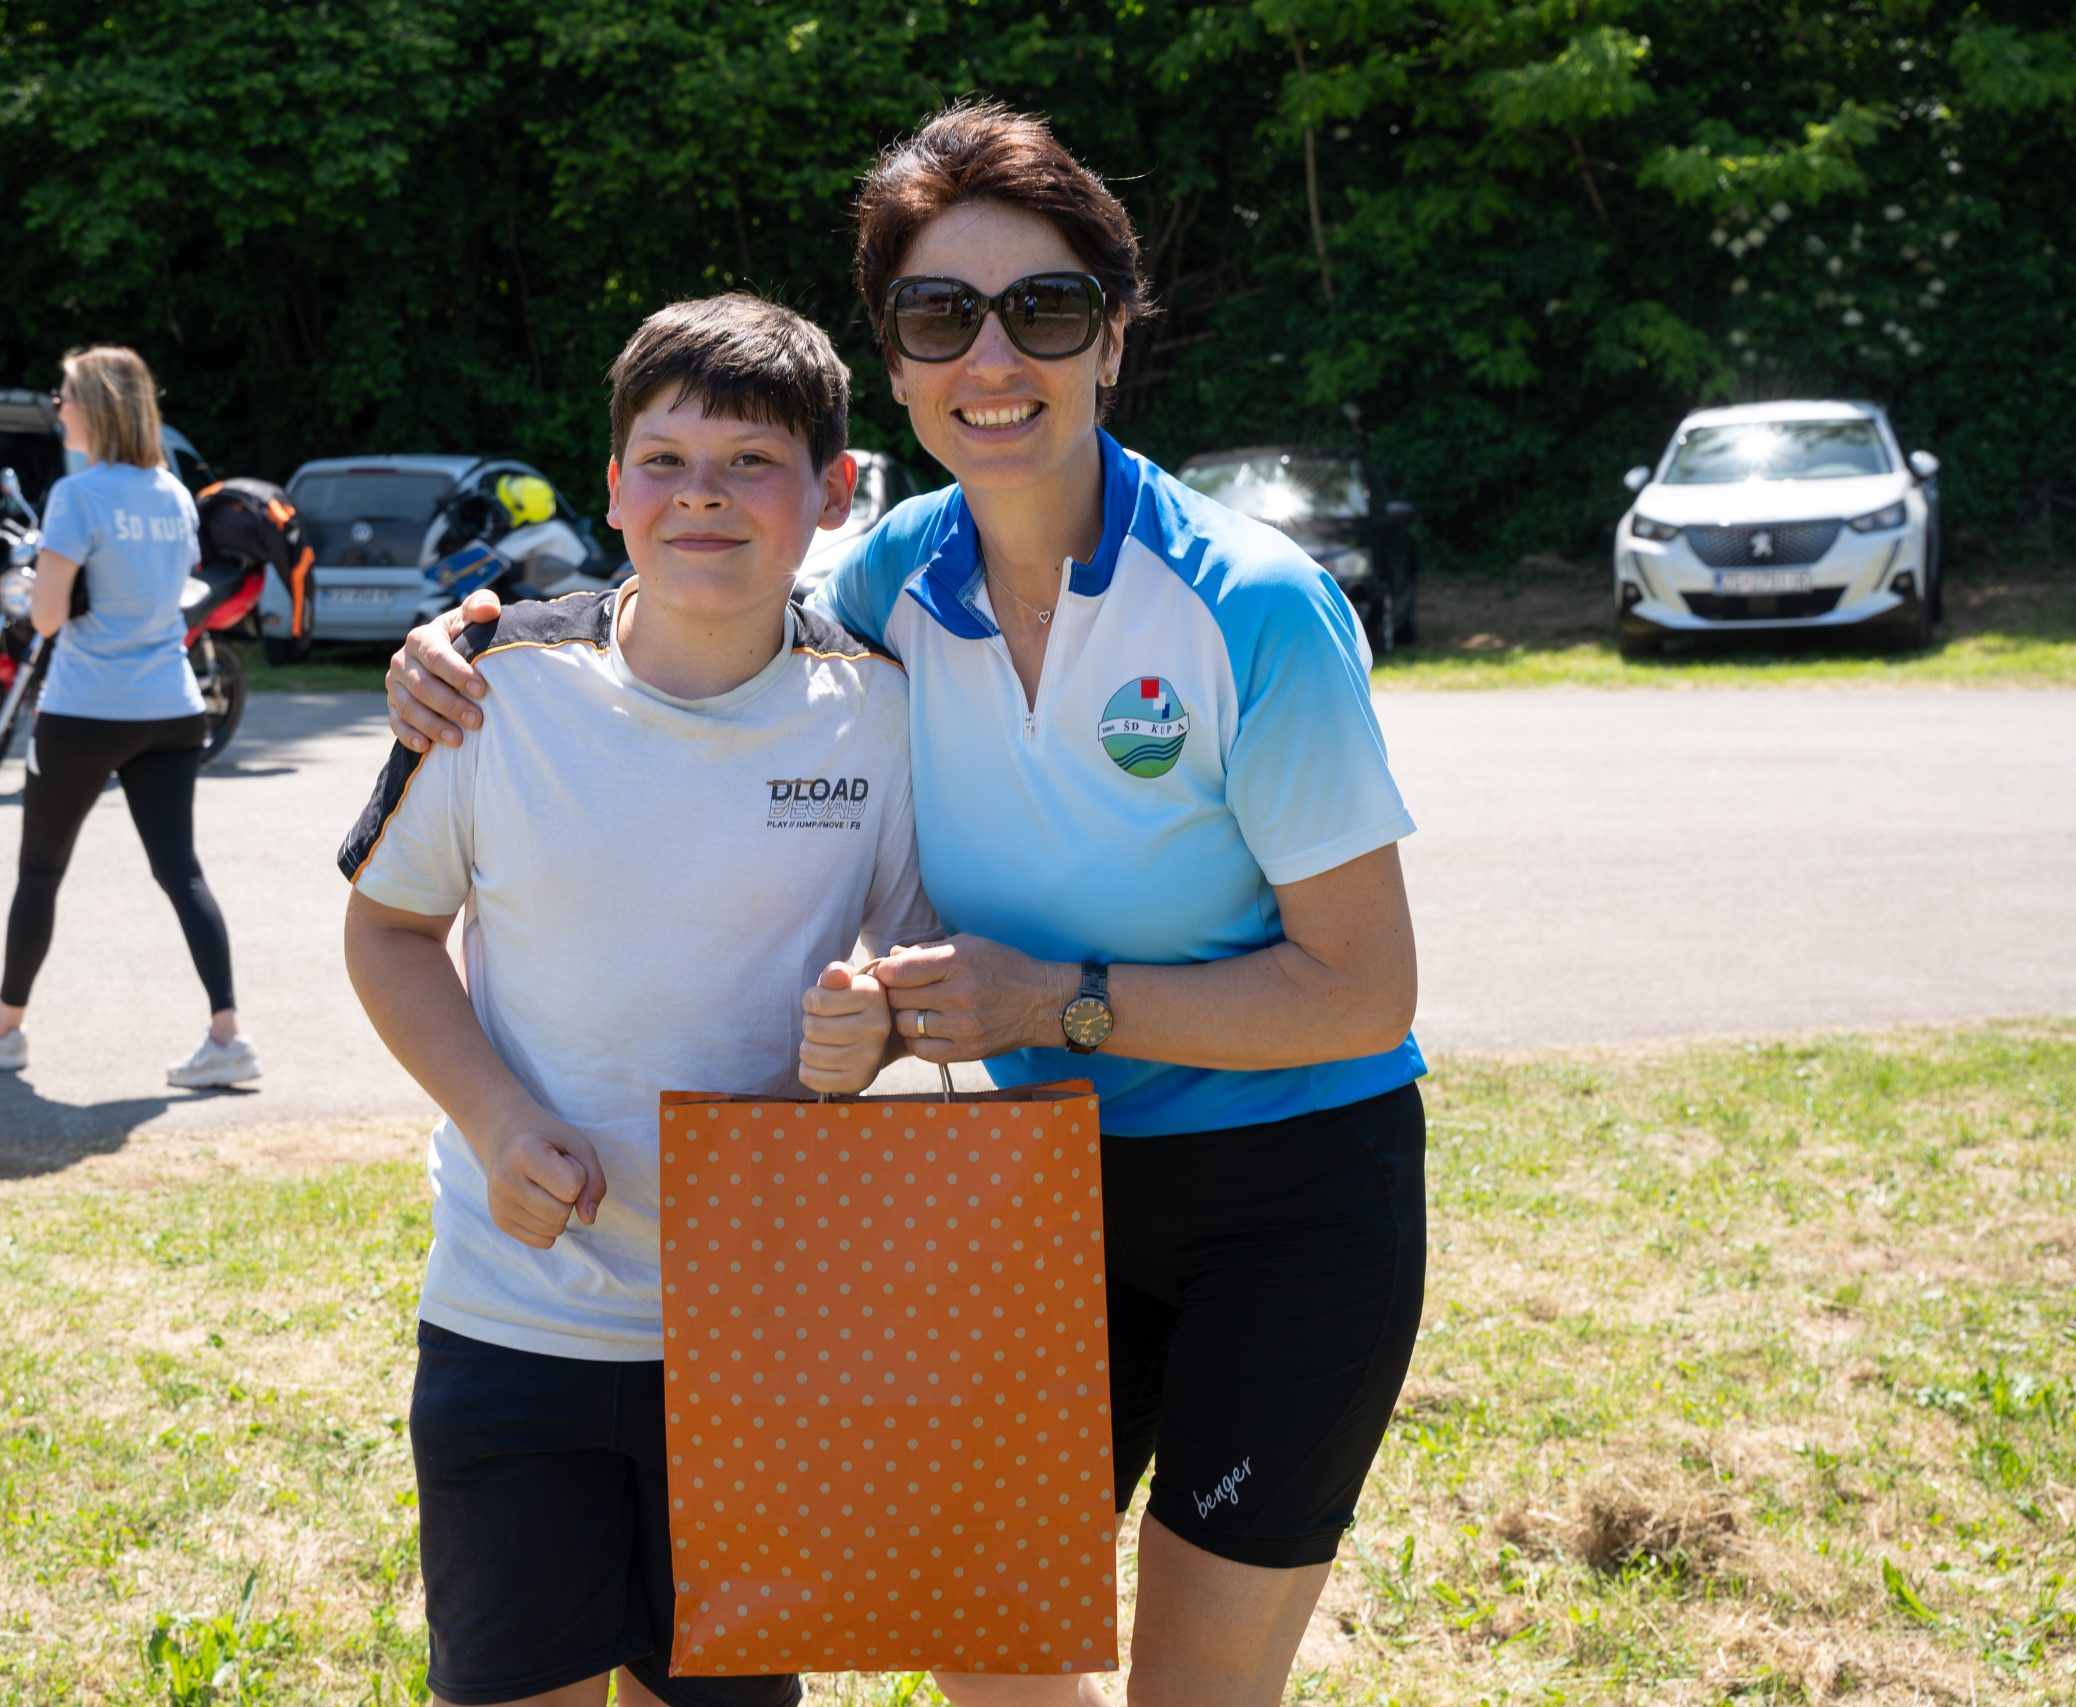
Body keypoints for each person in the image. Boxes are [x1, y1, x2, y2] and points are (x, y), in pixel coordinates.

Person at [386, 103, 1425, 1707]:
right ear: (899, 359)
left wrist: (1058, 998)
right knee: (983, 1649)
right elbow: (694, 594)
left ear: (1114, 337)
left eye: (1045, 309)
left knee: (1200, 1683)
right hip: (1033, 1195)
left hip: (1288, 1195)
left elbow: (1363, 988)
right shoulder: (886, 584)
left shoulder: (1253, 604)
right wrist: (472, 644)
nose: (992, 357)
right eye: (942, 315)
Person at [340, 294, 934, 1707]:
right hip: (513, 1317)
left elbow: (923, 974)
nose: (701, 495)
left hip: (760, 1334)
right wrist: (497, 1121)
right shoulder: (490, 687)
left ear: (833, 493)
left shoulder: (881, 713)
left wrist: (879, 1027)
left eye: (752, 462)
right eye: (664, 460)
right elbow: (391, 931)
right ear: (612, 489)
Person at [0, 343, 259, 1089]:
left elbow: (46, 618)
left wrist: (46, 579)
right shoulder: (174, 494)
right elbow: (168, 594)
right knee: (181, 871)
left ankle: (4, 1029)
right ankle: (228, 1036)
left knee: (40, 871)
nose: (58, 408)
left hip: (85, 710)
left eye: (65, 396)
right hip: (171, 708)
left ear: (97, 408)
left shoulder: (75, 496)